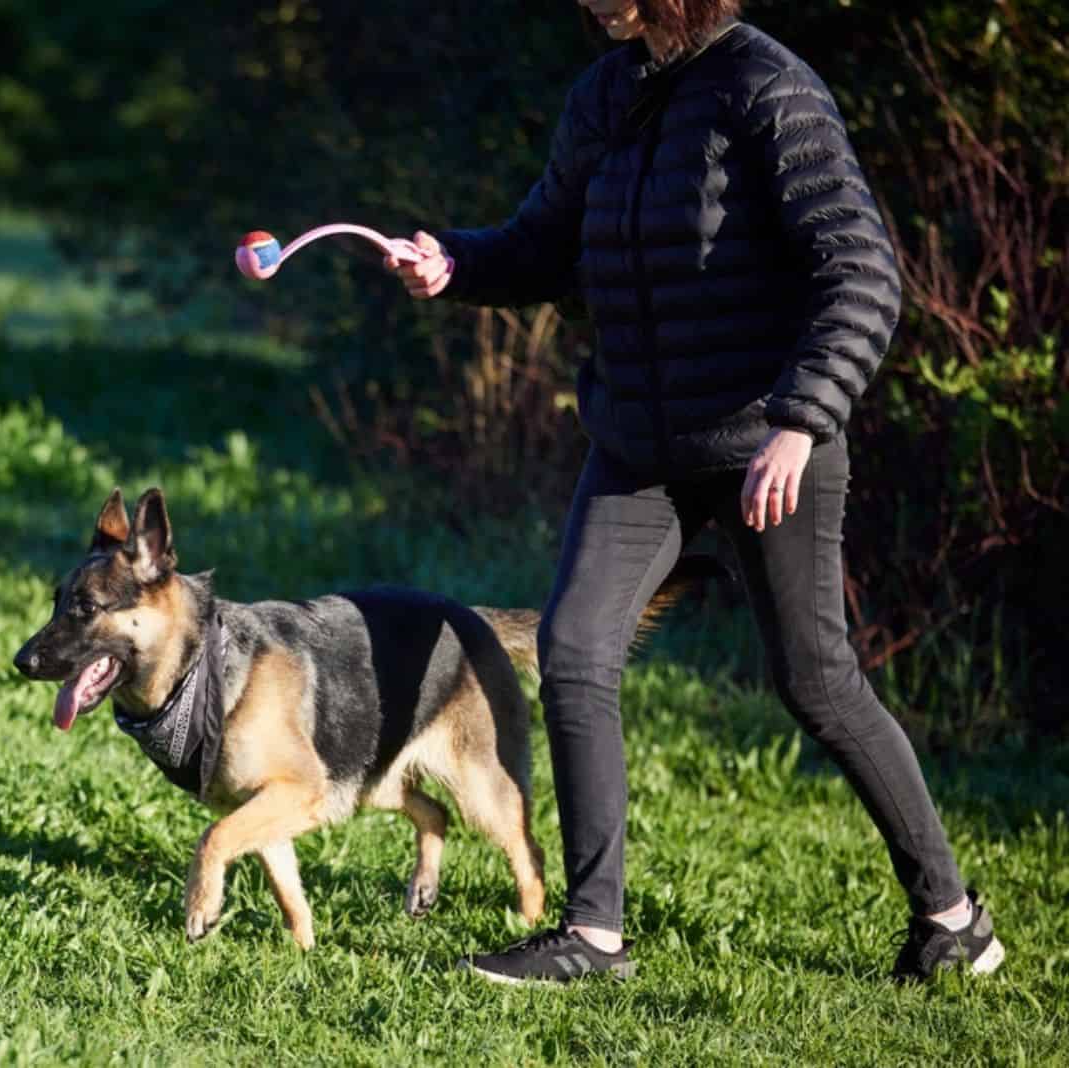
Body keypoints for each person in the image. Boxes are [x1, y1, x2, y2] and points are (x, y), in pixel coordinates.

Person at [385, 0, 1003, 984]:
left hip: (767, 447)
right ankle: (592, 936)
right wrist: (454, 263)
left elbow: (861, 273)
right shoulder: (606, 94)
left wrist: (801, 422)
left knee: (816, 682)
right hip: (637, 448)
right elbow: (548, 243)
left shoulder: (767, 86)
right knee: (574, 650)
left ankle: (952, 917)